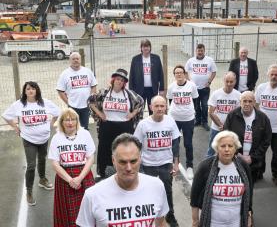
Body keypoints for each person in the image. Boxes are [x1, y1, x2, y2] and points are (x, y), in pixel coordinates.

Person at [76, 133, 169, 227]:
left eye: (133, 161)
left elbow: (161, 223)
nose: (128, 168)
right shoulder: (93, 195)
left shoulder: (156, 186)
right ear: (113, 161)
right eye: (123, 162)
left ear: (140, 159)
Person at [2, 81, 60, 206]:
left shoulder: (44, 102)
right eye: (28, 89)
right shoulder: (19, 105)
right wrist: (15, 127)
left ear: (37, 90)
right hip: (29, 139)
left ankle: (42, 179)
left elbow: (57, 112)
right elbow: (6, 115)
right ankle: (29, 191)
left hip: (44, 138)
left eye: (33, 88)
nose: (30, 91)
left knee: (42, 159)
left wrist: (51, 124)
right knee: (31, 165)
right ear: (24, 91)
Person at [89, 68, 144, 181]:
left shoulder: (129, 94)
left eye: (122, 80)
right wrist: (100, 114)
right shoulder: (104, 92)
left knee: (124, 150)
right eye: (117, 79)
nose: (119, 81)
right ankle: (104, 174)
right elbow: (90, 101)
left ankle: (125, 172)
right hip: (107, 125)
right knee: (105, 150)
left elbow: (141, 102)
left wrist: (132, 114)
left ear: (124, 83)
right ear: (113, 80)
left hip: (124, 126)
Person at [134, 95, 181, 227]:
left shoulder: (170, 121)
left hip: (166, 164)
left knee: (167, 192)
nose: (160, 108)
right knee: (147, 192)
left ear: (166, 107)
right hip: (148, 165)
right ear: (150, 107)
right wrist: (138, 166)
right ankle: (148, 219)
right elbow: (136, 145)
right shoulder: (143, 124)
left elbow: (175, 143)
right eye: (157, 106)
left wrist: (176, 163)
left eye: (162, 106)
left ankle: (170, 217)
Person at [191, 130, 253, 227]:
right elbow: (195, 196)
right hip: (212, 223)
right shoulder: (205, 166)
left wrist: (249, 215)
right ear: (217, 148)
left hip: (236, 222)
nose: (227, 149)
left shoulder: (243, 166)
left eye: (230, 146)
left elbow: (249, 193)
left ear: (235, 148)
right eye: (223, 146)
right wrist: (195, 220)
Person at [48, 108, 95, 227]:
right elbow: (55, 163)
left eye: (73, 119)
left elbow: (90, 158)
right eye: (66, 120)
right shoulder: (56, 138)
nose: (70, 123)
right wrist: (70, 180)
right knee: (68, 212)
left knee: (88, 210)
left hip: (84, 174)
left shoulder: (85, 134)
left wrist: (80, 178)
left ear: (77, 121)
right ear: (61, 122)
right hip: (65, 177)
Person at [224, 91, 272, 182]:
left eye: (250, 101)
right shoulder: (232, 116)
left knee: (249, 187)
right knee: (235, 186)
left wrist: (252, 157)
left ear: (254, 102)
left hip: (254, 162)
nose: (247, 104)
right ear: (240, 101)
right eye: (244, 101)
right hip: (235, 159)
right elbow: (226, 136)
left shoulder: (263, 118)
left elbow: (266, 140)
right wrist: (237, 154)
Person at [166, 65, 198, 180]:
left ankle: (190, 166)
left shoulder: (192, 85)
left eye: (181, 72)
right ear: (174, 75)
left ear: (184, 74)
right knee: (175, 143)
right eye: (176, 73)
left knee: (188, 143)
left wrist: (193, 114)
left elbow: (194, 99)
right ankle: (176, 163)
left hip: (188, 118)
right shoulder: (171, 87)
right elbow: (170, 100)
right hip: (174, 119)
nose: (179, 74)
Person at [56, 52, 97, 129]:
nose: (75, 60)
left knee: (84, 127)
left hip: (86, 106)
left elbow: (93, 85)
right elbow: (60, 91)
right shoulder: (65, 74)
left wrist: (91, 99)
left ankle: (84, 140)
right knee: (73, 127)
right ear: (70, 61)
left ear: (80, 60)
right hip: (73, 107)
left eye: (77, 59)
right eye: (73, 59)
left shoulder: (87, 71)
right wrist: (68, 102)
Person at [206, 71, 241, 157]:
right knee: (211, 150)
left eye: (231, 82)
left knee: (230, 150)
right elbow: (211, 112)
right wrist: (221, 125)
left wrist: (227, 126)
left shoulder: (238, 95)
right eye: (227, 81)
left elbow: (238, 114)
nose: (229, 84)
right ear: (223, 81)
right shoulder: (216, 94)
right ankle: (208, 168)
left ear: (235, 82)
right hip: (216, 128)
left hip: (231, 128)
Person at [185, 43, 217, 131]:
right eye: (198, 51)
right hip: (194, 89)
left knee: (204, 105)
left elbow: (214, 72)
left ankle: (205, 122)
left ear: (204, 51)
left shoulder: (209, 60)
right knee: (196, 106)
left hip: (205, 88)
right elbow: (185, 71)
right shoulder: (191, 61)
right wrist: (189, 82)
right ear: (196, 51)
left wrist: (209, 82)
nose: (200, 52)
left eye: (201, 51)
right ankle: (198, 120)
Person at [129, 39, 164, 115]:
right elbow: (131, 75)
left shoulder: (156, 58)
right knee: (138, 109)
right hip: (139, 89)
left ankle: (153, 124)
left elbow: (161, 74)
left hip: (152, 89)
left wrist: (161, 89)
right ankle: (138, 124)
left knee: (153, 109)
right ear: (141, 48)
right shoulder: (135, 59)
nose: (146, 48)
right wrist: (131, 90)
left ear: (150, 47)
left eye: (147, 46)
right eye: (144, 46)